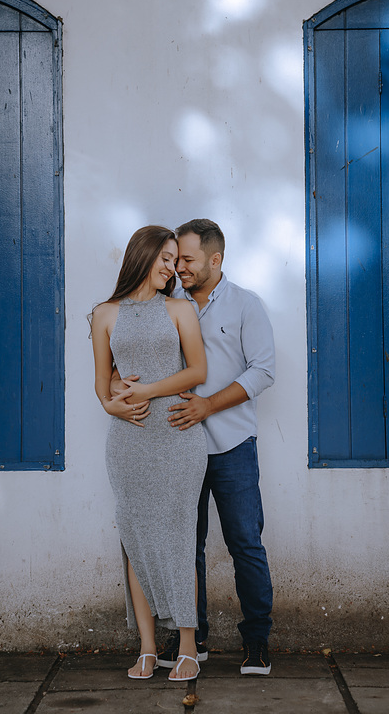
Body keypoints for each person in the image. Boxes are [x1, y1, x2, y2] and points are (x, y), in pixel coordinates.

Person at [118, 218, 277, 676]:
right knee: (183, 546)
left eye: (186, 259)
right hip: (173, 444)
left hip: (230, 444)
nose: (178, 267)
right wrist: (116, 383)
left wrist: (208, 406)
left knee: (245, 541)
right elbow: (125, 353)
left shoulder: (246, 305)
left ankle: (257, 642)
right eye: (174, 259)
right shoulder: (165, 303)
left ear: (215, 259)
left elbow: (263, 371)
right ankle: (194, 638)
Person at [90, 225, 209, 682]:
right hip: (128, 443)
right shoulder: (104, 314)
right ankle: (146, 646)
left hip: (177, 438)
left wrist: (151, 392)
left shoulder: (180, 309)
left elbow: (197, 370)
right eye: (164, 257)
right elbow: (102, 388)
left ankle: (186, 646)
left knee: (179, 542)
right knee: (136, 541)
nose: (171, 267)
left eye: (175, 258)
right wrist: (114, 405)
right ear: (141, 256)